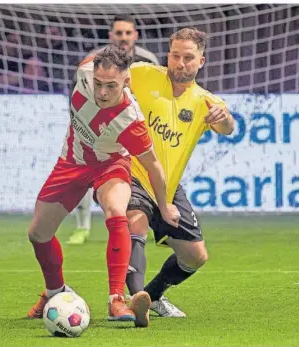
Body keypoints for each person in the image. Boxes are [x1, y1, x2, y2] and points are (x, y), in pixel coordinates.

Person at [26, 45, 180, 328]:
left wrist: (164, 204)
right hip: (71, 161)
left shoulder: (130, 120)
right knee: (38, 233)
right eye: (98, 84)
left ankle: (116, 299)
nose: (102, 93)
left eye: (111, 85)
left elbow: (154, 166)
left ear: (126, 81)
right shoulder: (84, 69)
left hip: (110, 165)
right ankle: (55, 292)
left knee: (115, 211)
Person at [125, 27, 235, 317]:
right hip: (131, 171)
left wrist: (223, 119)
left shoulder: (205, 101)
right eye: (175, 55)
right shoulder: (142, 74)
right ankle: (134, 302)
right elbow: (109, 80)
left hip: (168, 187)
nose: (180, 63)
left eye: (188, 57)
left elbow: (228, 128)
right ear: (168, 55)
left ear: (201, 61)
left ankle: (151, 296)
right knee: (134, 222)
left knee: (195, 256)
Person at [67, 14, 160, 245]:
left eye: (128, 33)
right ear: (111, 36)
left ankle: (152, 223)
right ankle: (82, 228)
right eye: (119, 33)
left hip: (132, 126)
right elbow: (78, 90)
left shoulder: (148, 60)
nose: (123, 38)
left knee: (149, 170)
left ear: (135, 35)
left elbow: (157, 94)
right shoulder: (96, 59)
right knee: (84, 173)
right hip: (96, 126)